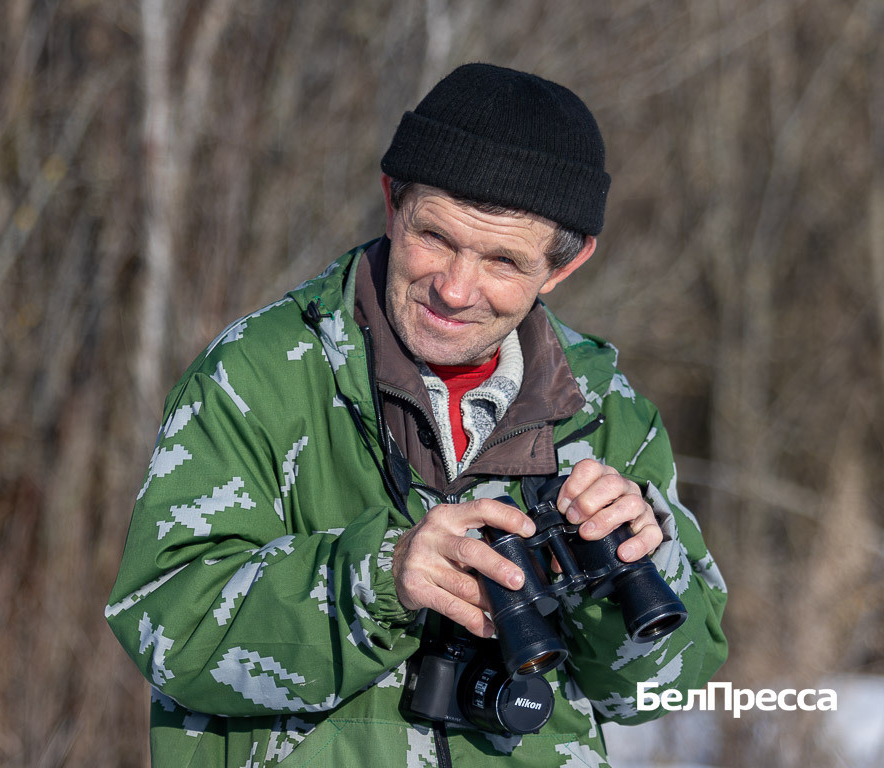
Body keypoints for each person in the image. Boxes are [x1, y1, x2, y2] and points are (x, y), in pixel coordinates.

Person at [106, 63, 728, 768]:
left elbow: (652, 693)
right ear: (391, 201)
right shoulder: (257, 376)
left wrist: (635, 565)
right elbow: (164, 626)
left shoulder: (605, 409)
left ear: (564, 265)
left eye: (502, 260)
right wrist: (378, 579)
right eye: (434, 237)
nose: (456, 289)